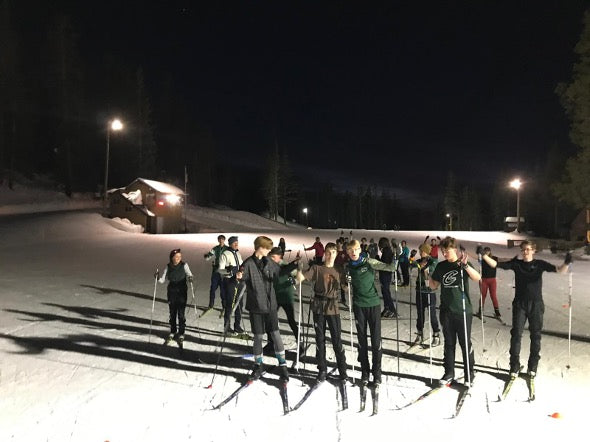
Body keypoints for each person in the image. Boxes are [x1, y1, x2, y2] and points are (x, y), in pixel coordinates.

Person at [482, 240, 570, 378]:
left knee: (535, 336)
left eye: (528, 249)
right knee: (516, 335)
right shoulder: (517, 264)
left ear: (533, 250)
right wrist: (484, 255)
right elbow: (496, 264)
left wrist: (567, 263)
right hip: (520, 304)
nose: (525, 252)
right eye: (523, 250)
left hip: (536, 304)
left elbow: (560, 271)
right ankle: (514, 367)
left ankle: (532, 366)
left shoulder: (539, 264)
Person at [429, 237, 481, 385]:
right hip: (446, 311)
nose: (445, 254)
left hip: (463, 310)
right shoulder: (441, 266)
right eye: (443, 251)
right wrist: (428, 275)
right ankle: (449, 372)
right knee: (449, 343)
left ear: (455, 250)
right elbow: (434, 286)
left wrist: (465, 267)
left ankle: (469, 373)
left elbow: (477, 278)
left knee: (465, 343)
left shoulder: (461, 264)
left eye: (448, 251)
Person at [237, 236, 289, 381]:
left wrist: (294, 265)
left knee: (275, 334)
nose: (269, 250)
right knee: (258, 337)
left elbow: (280, 271)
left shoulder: (269, 262)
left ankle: (283, 365)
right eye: (267, 247)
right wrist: (239, 276)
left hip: (270, 305)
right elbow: (242, 276)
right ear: (260, 247)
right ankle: (257, 364)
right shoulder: (248, 263)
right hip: (256, 306)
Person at [346, 239, 396, 385]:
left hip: (373, 304)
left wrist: (396, 259)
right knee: (362, 341)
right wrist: (345, 282)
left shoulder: (369, 262)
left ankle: (377, 373)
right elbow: (343, 285)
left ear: (359, 249)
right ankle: (365, 372)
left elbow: (389, 268)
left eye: (355, 249)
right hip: (358, 306)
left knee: (375, 341)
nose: (353, 252)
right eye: (350, 250)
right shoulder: (348, 266)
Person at [297, 242, 348, 381]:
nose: (330, 255)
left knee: (337, 340)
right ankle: (322, 369)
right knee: (320, 339)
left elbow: (346, 289)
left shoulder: (339, 270)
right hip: (318, 306)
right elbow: (300, 278)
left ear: (336, 254)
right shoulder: (317, 268)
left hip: (333, 307)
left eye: (333, 252)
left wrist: (347, 283)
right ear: (324, 253)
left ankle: (343, 370)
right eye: (328, 252)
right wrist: (298, 270)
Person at [264, 247, 302, 355]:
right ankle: (270, 343)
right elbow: (279, 272)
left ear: (279, 257)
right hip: (275, 296)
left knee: (291, 321)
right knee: (269, 320)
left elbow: (298, 278)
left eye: (273, 257)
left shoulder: (285, 264)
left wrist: (297, 270)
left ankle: (300, 343)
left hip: (286, 297)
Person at [157, 248, 194, 345]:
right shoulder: (168, 266)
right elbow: (162, 280)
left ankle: (181, 333)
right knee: (172, 313)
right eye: (176, 257)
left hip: (181, 291)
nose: (178, 258)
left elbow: (190, 274)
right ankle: (173, 331)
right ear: (172, 258)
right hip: (172, 291)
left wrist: (190, 278)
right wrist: (157, 278)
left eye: (180, 257)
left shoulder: (184, 265)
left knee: (181, 314)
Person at [411, 243, 440, 346]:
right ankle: (420, 334)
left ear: (427, 252)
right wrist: (411, 257)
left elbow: (431, 269)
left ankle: (436, 334)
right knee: (420, 314)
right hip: (419, 290)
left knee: (432, 315)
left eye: (422, 251)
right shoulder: (420, 261)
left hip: (429, 291)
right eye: (420, 251)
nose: (420, 253)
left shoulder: (433, 261)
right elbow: (411, 264)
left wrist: (423, 268)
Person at [217, 236, 244, 334]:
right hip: (229, 282)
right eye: (234, 243)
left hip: (239, 281)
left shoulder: (238, 253)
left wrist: (242, 270)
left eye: (237, 242)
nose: (236, 244)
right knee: (230, 305)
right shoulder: (225, 254)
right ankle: (227, 327)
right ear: (230, 244)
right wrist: (231, 272)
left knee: (239, 304)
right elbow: (220, 270)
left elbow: (241, 265)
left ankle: (237, 326)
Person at [477, 246, 502, 319]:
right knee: (483, 295)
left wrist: (512, 259)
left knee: (493, 296)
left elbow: (502, 259)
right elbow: (474, 257)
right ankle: (480, 311)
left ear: (490, 252)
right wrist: (465, 252)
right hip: (483, 279)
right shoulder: (481, 258)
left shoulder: (494, 258)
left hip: (492, 280)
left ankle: (497, 312)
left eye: (488, 252)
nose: (487, 253)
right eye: (485, 252)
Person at [204, 234, 227, 310]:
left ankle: (224, 306)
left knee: (223, 289)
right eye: (219, 240)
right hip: (216, 270)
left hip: (223, 270)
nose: (221, 241)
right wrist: (207, 256)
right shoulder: (215, 248)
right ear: (218, 240)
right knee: (213, 288)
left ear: (224, 240)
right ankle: (211, 304)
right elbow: (209, 256)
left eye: (222, 239)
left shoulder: (227, 249)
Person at [378, 237, 397, 318]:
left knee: (386, 293)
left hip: (385, 275)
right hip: (385, 275)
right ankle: (387, 308)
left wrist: (377, 260)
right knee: (385, 292)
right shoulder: (387, 251)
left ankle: (392, 310)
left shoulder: (387, 251)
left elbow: (385, 264)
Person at [334, 240, 349, 306]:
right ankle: (333, 298)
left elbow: (348, 260)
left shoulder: (344, 252)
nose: (338, 245)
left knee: (342, 284)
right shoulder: (335, 252)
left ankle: (343, 299)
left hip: (342, 271)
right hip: (335, 270)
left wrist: (346, 263)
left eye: (339, 244)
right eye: (337, 244)